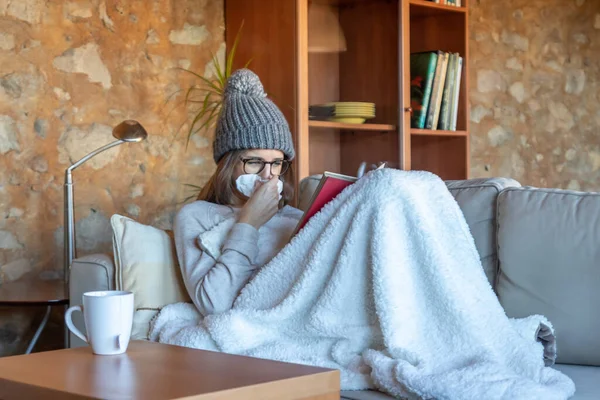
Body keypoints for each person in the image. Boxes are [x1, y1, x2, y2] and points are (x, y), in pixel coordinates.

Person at [174, 68, 303, 317]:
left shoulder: (295, 219)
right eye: (254, 162)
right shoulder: (196, 217)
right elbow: (215, 305)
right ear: (228, 163)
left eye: (276, 163)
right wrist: (249, 223)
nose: (268, 175)